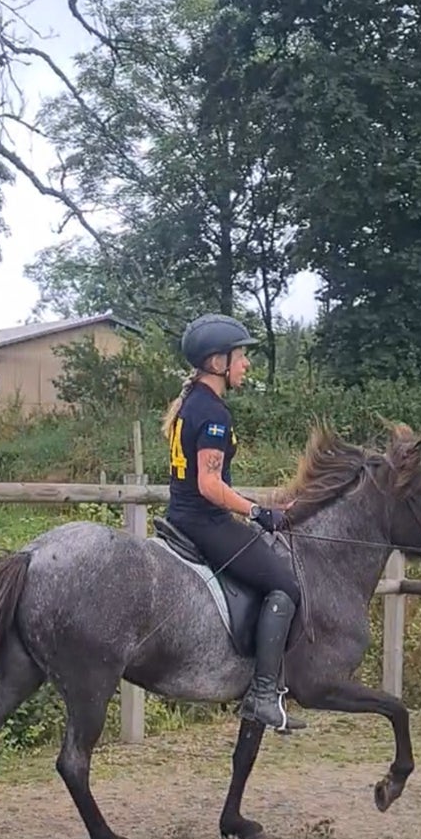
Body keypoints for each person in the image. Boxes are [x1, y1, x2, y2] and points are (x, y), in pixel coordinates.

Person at [161, 312, 306, 732]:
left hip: (182, 516)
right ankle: (263, 694)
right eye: (240, 356)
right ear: (216, 362)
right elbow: (209, 484)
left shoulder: (192, 404)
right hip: (204, 522)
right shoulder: (214, 414)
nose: (246, 364)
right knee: (286, 585)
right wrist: (257, 511)